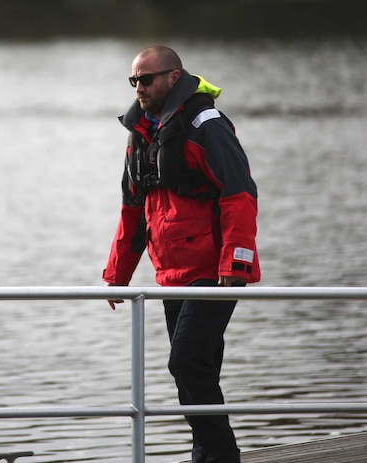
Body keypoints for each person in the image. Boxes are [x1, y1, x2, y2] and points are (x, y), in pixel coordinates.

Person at [102, 46, 260, 463]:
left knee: (186, 363)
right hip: (171, 275)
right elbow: (131, 212)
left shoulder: (205, 124)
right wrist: (117, 274)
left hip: (213, 272)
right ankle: (204, 454)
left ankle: (223, 455)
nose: (139, 87)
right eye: (133, 80)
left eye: (147, 78)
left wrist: (235, 263)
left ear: (174, 77)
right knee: (198, 370)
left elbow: (240, 195)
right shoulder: (140, 135)